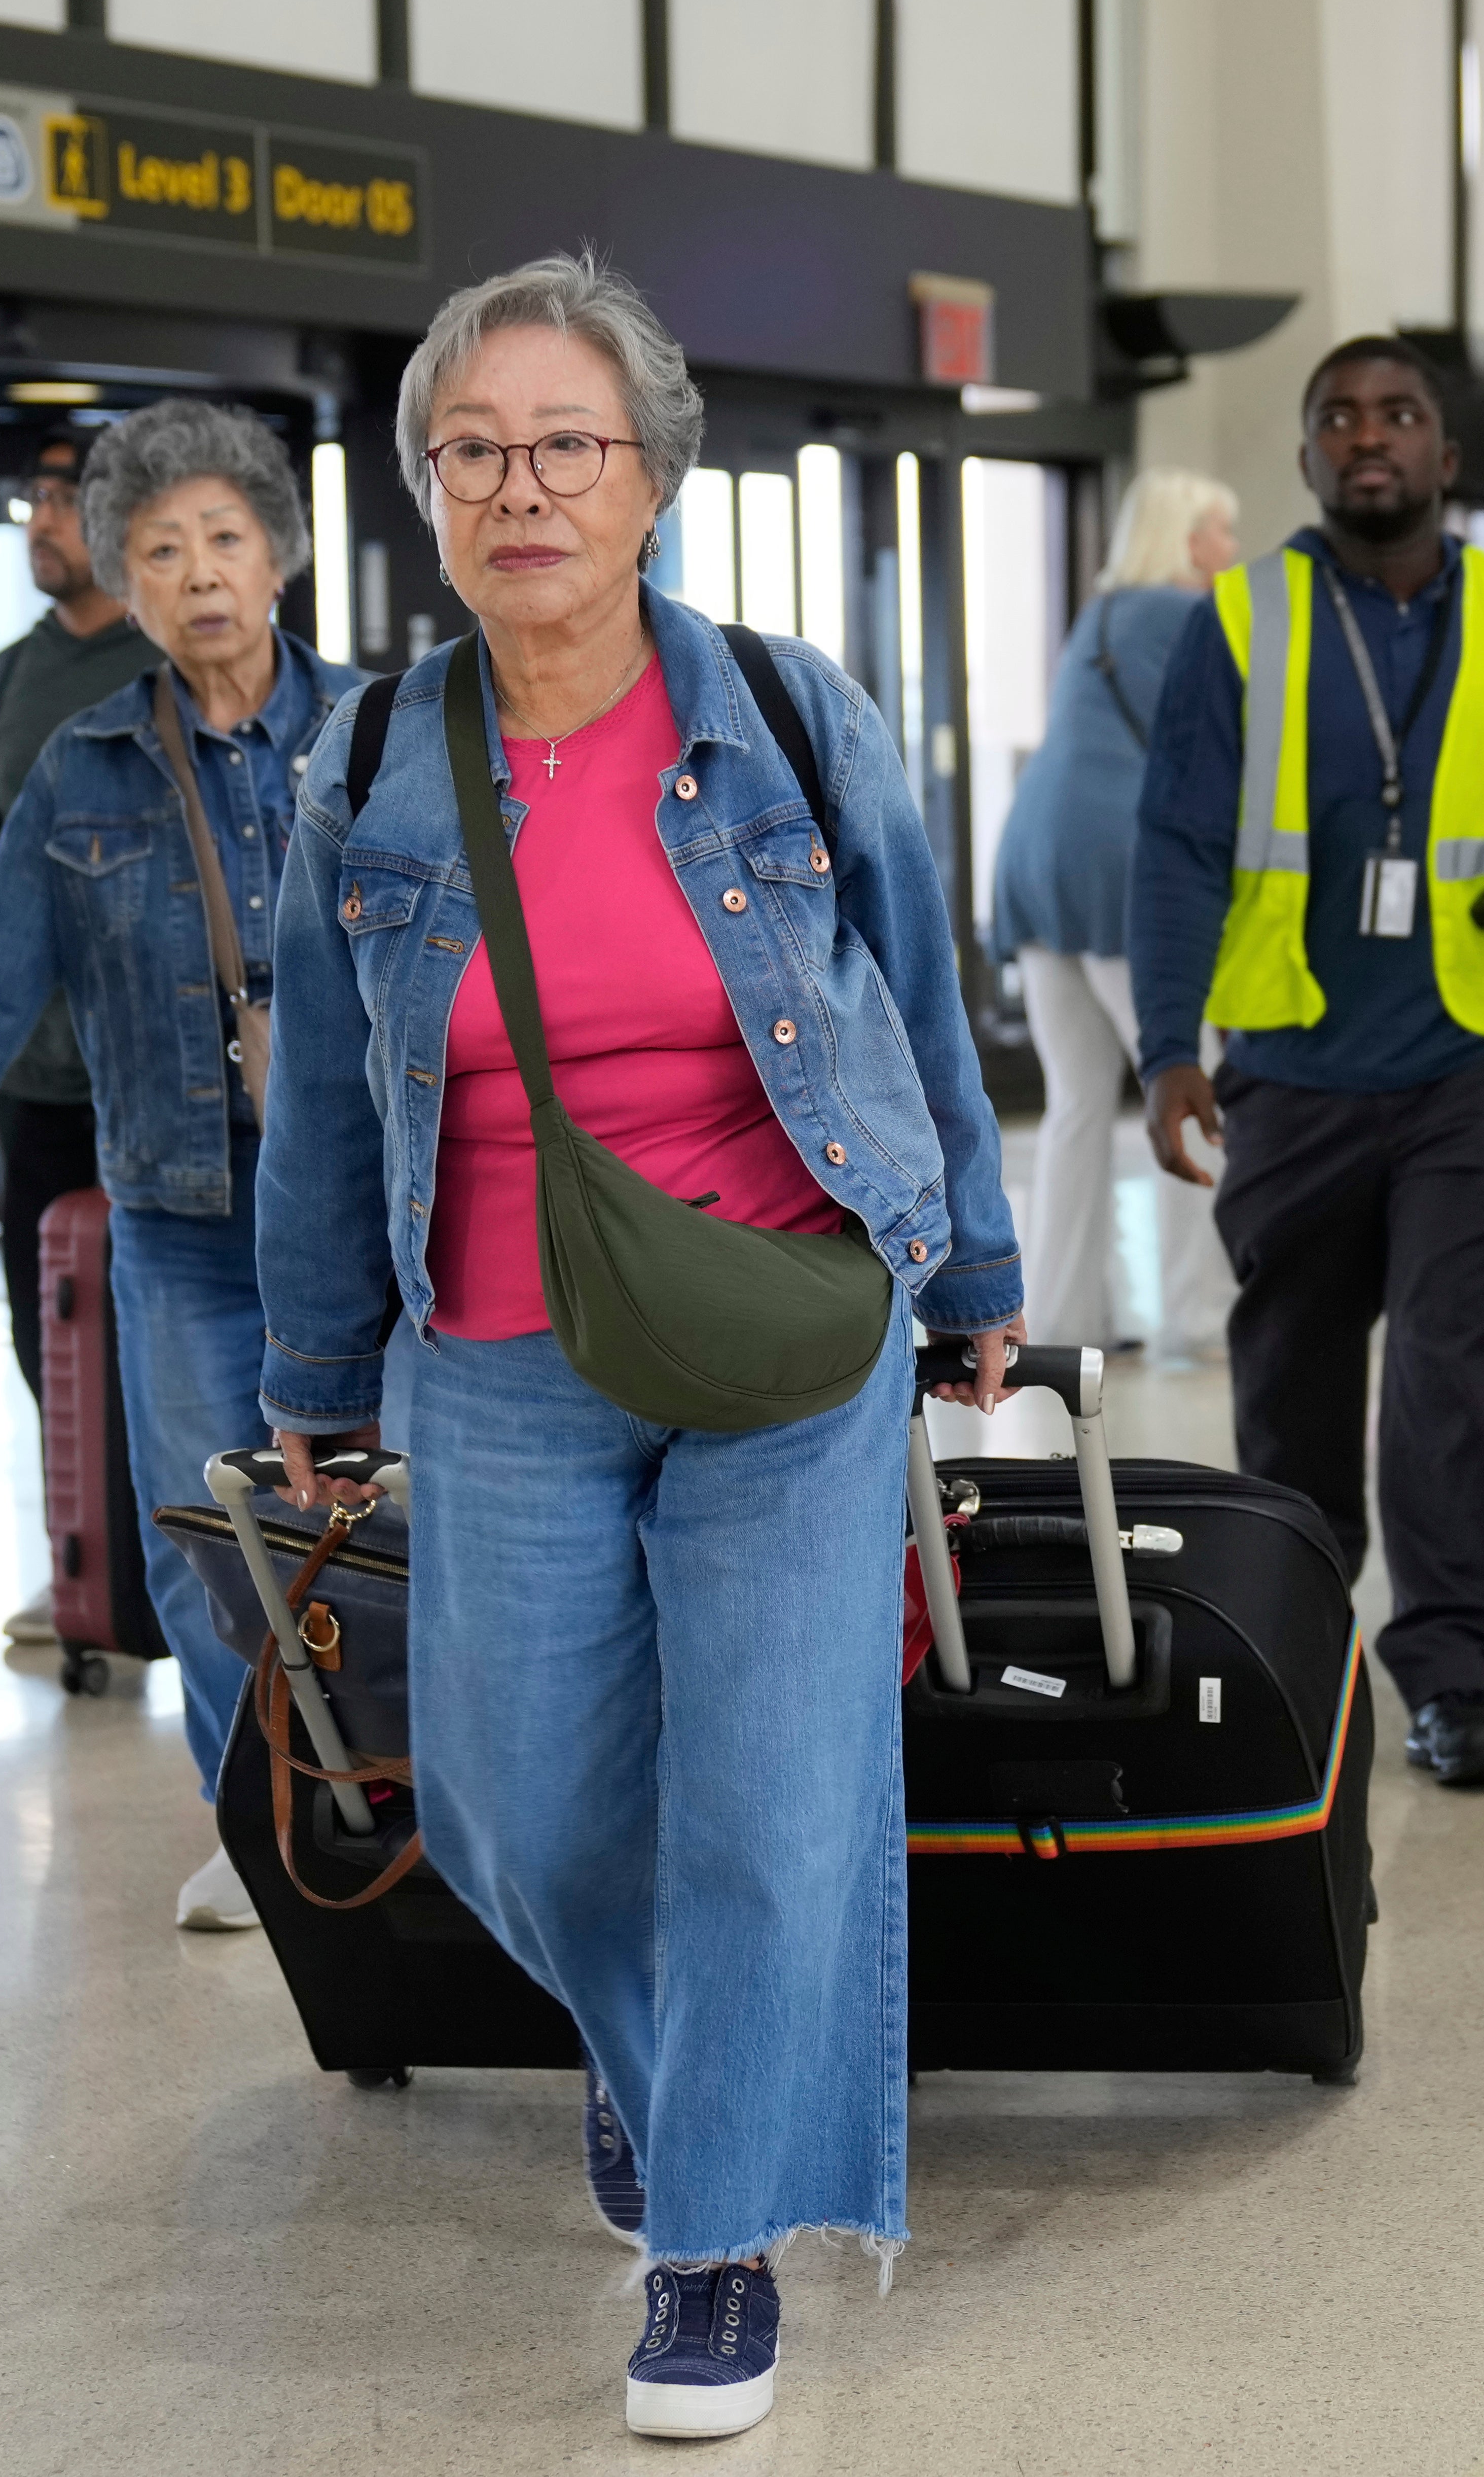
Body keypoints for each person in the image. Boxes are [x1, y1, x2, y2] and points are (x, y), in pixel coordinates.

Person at [255, 253, 1021, 2443]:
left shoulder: (783, 711)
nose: (522, 487)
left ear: (654, 480)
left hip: (787, 1313)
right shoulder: (378, 755)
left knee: (775, 1798)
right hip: (499, 1335)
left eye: (565, 444)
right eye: (474, 449)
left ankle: (713, 2235)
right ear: (425, 491)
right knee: (517, 1793)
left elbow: (916, 990)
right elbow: (322, 1091)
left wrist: (965, 1271)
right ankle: (654, 2043)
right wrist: (318, 1373)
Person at [0, 399, 361, 1932]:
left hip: (374, 1220)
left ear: (280, 555)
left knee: (399, 1524)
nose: (198, 573)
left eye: (224, 539)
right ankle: (257, 1826)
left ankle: (411, 1807)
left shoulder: (378, 736)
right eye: (160, 550)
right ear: (126, 585)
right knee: (206, 1535)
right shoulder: (82, 766)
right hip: (183, 1215)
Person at [1131, 336, 1484, 1792]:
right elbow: (1179, 839)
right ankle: (1292, 1648)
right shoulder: (1242, 620)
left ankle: (1453, 1671)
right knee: (1293, 1385)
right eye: (1338, 417)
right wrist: (1168, 1048)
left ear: (1446, 457)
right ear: (1307, 458)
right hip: (1297, 1067)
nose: (1368, 435)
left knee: (1456, 1384)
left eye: (1398, 414)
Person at [0, 432, 166, 1644]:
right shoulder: (4, 685)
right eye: (34, 498)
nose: (40, 520)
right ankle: (93, 1563)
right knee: (44, 1325)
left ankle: (192, 1572)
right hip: (41, 1079)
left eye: (64, 500)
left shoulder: (177, 653)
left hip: (172, 1078)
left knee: (177, 1328)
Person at [990, 468, 1243, 1359]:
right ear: (1184, 537)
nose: (1228, 549)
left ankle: (1068, 1319)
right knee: (1186, 1084)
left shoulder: (1094, 619)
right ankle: (1206, 1315)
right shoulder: (1187, 618)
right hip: (1118, 872)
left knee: (1074, 1105)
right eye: (1218, 531)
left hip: (1033, 861)